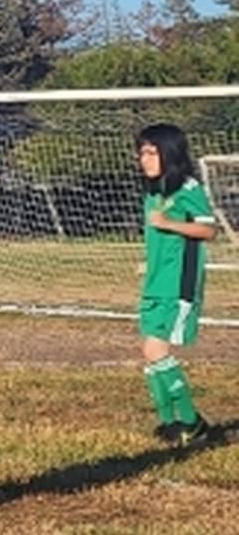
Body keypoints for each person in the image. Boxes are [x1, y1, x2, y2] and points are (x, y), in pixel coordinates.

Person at [134, 124, 218, 447]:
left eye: (151, 152)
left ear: (169, 153)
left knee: (156, 349)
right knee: (148, 351)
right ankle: (169, 422)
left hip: (178, 283)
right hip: (156, 281)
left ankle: (191, 422)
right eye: (141, 152)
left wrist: (168, 223)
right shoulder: (154, 191)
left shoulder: (188, 188)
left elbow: (208, 230)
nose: (144, 159)